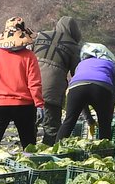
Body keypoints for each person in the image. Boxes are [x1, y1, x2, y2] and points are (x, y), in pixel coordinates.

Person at [0, 17, 45, 155]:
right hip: (25, 106)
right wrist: (39, 104)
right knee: (28, 143)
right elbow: (34, 83)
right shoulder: (29, 56)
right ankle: (29, 171)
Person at [32, 16, 83, 145]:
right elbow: (76, 73)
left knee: (29, 123)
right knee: (51, 127)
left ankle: (27, 150)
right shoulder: (73, 47)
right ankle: (47, 155)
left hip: (31, 86)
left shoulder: (40, 37)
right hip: (52, 90)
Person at [56, 43, 115, 141]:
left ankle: (56, 149)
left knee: (69, 121)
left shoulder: (81, 64)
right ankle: (104, 153)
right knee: (104, 124)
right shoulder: (111, 65)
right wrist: (108, 116)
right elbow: (113, 95)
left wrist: (89, 119)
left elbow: (82, 98)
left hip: (76, 88)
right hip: (101, 88)